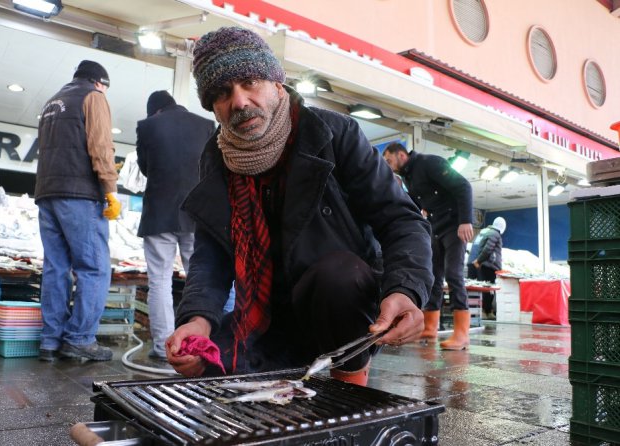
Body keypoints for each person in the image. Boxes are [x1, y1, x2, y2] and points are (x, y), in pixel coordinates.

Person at [164, 27, 434, 386]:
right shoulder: (216, 157)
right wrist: (197, 319)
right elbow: (211, 253)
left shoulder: (334, 134)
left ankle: (350, 382)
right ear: (213, 108)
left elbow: (401, 220)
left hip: (338, 304)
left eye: (249, 82)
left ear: (278, 83)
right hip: (264, 315)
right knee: (205, 370)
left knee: (338, 275)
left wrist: (406, 289)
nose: (240, 102)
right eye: (222, 93)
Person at [35, 60, 120, 362]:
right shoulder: (92, 97)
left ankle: (50, 341)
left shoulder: (52, 103)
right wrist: (110, 189)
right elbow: (101, 146)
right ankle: (80, 338)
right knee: (94, 268)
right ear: (99, 82)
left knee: (55, 267)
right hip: (80, 195)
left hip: (47, 193)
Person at [136, 90, 216, 361]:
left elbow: (145, 168)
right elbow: (212, 168)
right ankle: (199, 344)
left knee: (159, 281)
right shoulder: (206, 125)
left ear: (155, 111)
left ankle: (162, 347)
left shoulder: (147, 126)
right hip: (198, 212)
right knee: (200, 278)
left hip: (159, 213)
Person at [383, 142, 474, 350]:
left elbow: (463, 185)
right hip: (436, 228)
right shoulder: (408, 176)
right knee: (434, 278)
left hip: (454, 225)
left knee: (454, 275)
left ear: (401, 155)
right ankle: (429, 328)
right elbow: (415, 205)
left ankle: (462, 334)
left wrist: (466, 220)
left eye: (389, 161)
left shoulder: (428, 163)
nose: (388, 166)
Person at [467, 216, 506, 320]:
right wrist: (479, 261)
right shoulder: (495, 234)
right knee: (488, 288)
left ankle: (473, 313)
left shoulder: (483, 231)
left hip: (472, 262)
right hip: (485, 264)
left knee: (473, 290)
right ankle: (486, 311)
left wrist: (475, 261)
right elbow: (488, 249)